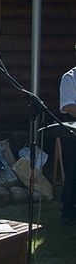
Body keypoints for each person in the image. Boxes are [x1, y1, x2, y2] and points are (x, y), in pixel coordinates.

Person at [60, 57, 76, 226]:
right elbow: (68, 106)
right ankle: (68, 209)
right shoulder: (70, 77)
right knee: (74, 166)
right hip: (73, 127)